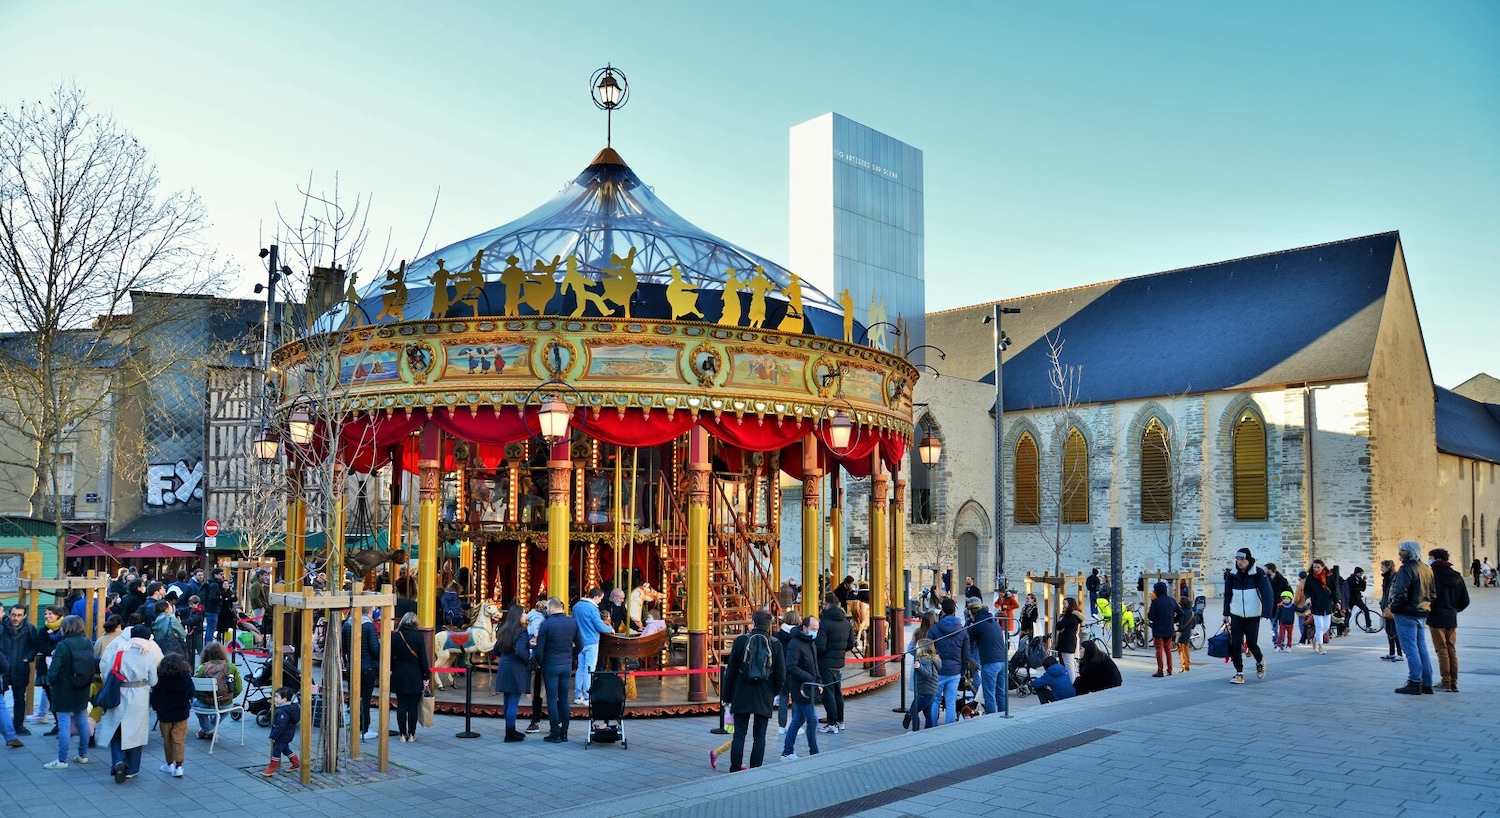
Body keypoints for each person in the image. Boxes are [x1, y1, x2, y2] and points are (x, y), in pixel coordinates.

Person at [96, 624, 162, 783]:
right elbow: (153, 681)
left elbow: (108, 671)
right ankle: (132, 768)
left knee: (116, 730)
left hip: (119, 693)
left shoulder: (119, 650)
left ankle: (118, 759)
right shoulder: (149, 655)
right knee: (136, 732)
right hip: (139, 695)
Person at [720, 609, 784, 771]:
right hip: (764, 694)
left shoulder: (741, 641)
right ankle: (756, 768)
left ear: (753, 623)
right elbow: (781, 674)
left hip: (741, 692)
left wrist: (727, 696)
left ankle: (735, 767)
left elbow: (731, 670)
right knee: (760, 735)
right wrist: (773, 692)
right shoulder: (775, 644)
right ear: (769, 626)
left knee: (739, 734)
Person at [42, 616, 92, 769]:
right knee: (82, 721)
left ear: (65, 628)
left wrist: (52, 683)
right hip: (82, 687)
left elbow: (54, 670)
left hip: (64, 689)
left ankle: (62, 760)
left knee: (64, 724)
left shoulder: (63, 645)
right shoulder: (88, 642)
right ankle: (83, 755)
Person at [1389, 541, 1436, 695]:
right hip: (1422, 612)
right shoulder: (1426, 568)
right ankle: (1427, 683)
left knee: (1410, 648)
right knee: (1421, 647)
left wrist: (1393, 608)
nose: (1399, 554)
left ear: (1409, 552)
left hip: (1407, 612)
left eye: (1401, 551)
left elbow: (1400, 593)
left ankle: (1415, 681)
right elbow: (1433, 593)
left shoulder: (1406, 569)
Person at [1221, 547, 1273, 684]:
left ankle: (1259, 660)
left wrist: (1267, 612)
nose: (1239, 562)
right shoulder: (1232, 575)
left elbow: (1267, 593)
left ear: (1248, 560)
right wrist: (1225, 613)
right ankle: (1239, 673)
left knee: (1251, 643)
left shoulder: (1258, 573)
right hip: (1236, 613)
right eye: (1237, 559)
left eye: (1242, 559)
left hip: (1253, 614)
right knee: (1235, 644)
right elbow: (1227, 595)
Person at [533, 597, 580, 743]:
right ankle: (564, 731)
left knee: (552, 699)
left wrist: (542, 663)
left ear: (552, 608)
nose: (546, 610)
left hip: (550, 664)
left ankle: (554, 732)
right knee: (564, 699)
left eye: (547, 608)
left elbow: (539, 649)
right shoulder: (572, 622)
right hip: (566, 664)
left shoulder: (546, 624)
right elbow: (580, 645)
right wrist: (571, 658)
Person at [1427, 547, 1469, 693]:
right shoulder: (1457, 576)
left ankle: (1446, 681)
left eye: (1430, 557)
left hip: (1436, 617)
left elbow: (1428, 597)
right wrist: (1453, 609)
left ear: (1436, 559)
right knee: (1451, 649)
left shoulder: (1432, 575)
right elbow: (1465, 600)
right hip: (1451, 617)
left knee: (1441, 650)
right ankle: (1453, 682)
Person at [780, 615, 820, 761]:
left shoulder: (811, 642)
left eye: (816, 629)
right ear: (804, 628)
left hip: (810, 686)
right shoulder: (795, 643)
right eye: (812, 629)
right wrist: (809, 677)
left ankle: (787, 751)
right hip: (801, 688)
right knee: (812, 719)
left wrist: (818, 680)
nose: (815, 632)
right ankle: (813, 751)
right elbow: (791, 666)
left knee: (798, 720)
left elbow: (815, 664)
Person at [811, 594, 851, 734]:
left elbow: (821, 646)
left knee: (828, 693)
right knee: (837, 692)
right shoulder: (846, 622)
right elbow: (851, 643)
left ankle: (832, 722)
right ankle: (840, 721)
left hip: (826, 663)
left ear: (827, 605)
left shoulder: (825, 623)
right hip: (839, 662)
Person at [148, 651, 192, 777]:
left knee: (167, 739)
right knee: (179, 738)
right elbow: (191, 692)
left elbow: (155, 696)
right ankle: (179, 766)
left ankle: (169, 763)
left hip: (165, 713)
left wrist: (156, 707)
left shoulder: (161, 677)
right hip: (181, 712)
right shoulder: (185, 676)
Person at [927, 598, 970, 725]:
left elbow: (928, 649)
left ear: (943, 611)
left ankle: (932, 725)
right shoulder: (962, 629)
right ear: (954, 611)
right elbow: (966, 653)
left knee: (935, 700)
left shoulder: (934, 629)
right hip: (955, 671)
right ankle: (949, 727)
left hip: (938, 670)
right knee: (951, 701)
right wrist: (962, 670)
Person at [493, 604, 531, 742]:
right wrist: (528, 658)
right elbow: (521, 651)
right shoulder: (521, 631)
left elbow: (496, 649)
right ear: (518, 615)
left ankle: (510, 729)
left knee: (507, 700)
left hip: (505, 665)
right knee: (514, 700)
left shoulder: (504, 629)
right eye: (524, 613)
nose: (525, 615)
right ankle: (510, 733)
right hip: (516, 667)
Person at [389, 612, 429, 742]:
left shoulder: (395, 636)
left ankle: (402, 734)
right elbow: (423, 658)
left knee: (401, 705)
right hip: (415, 674)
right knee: (413, 706)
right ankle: (411, 734)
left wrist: (391, 669)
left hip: (399, 673)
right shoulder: (418, 637)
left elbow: (390, 657)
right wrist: (426, 676)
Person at [571, 587, 614, 706]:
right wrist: (610, 629)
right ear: (596, 596)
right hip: (591, 642)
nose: (600, 601)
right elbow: (599, 626)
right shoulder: (593, 609)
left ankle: (577, 695)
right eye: (600, 598)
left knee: (580, 668)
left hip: (579, 642)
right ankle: (587, 696)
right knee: (589, 669)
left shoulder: (576, 606)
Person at [2, 604, 39, 737]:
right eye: (13, 614)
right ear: (8, 614)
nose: (15, 618)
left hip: (20, 668)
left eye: (19, 615)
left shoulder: (29, 629)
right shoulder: (2, 628)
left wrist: (27, 658)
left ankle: (18, 725)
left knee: (19, 698)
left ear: (24, 616)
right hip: (3, 668)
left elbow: (35, 646)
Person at [192, 642, 242, 740]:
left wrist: (204, 698)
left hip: (205, 703)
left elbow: (195, 690)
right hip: (224, 703)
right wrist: (228, 697)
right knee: (227, 707)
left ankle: (208, 730)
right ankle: (211, 730)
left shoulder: (202, 668)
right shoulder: (231, 667)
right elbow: (238, 689)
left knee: (195, 705)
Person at [966, 598, 1005, 715]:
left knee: (989, 694)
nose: (970, 618)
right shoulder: (993, 622)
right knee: (1001, 692)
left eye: (970, 615)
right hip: (1002, 661)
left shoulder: (978, 624)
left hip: (990, 662)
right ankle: (1003, 714)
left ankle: (991, 719)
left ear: (974, 613)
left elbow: (968, 639)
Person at [1296, 560, 1338, 654]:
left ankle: (1315, 638)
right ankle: (1320, 646)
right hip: (1316, 604)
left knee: (1326, 626)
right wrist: (1308, 598)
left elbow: (1334, 590)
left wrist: (1337, 601)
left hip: (1327, 604)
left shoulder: (1329, 576)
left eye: (1318, 567)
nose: (1316, 569)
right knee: (1319, 627)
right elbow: (1306, 590)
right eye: (1314, 567)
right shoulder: (1310, 578)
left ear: (1323, 567)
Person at [262, 686, 300, 776]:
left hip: (283, 735)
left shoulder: (283, 711)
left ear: (284, 699)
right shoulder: (290, 708)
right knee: (285, 749)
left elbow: (280, 726)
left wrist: (274, 736)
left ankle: (271, 769)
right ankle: (296, 763)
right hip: (287, 734)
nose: (274, 699)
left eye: (276, 697)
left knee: (277, 750)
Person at [1148, 582, 1180, 677]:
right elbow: (1180, 612)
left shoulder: (1156, 601)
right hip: (1169, 628)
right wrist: (1174, 621)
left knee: (1159, 649)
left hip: (1158, 629)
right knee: (1168, 649)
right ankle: (1170, 669)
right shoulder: (1171, 600)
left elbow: (1150, 616)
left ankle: (1160, 670)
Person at [908, 638, 939, 730]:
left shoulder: (924, 661)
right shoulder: (932, 659)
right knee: (927, 713)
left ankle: (915, 731)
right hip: (929, 692)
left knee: (914, 711)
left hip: (925, 693)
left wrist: (919, 667)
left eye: (917, 647)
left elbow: (928, 674)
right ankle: (928, 730)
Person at [1377, 559, 1404, 662]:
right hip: (1385, 607)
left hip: (1392, 608)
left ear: (1388, 567)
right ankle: (1391, 652)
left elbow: (1395, 593)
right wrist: (1382, 603)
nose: (1381, 568)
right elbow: (1385, 593)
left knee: (1395, 631)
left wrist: (1392, 605)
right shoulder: (1386, 579)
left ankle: (1400, 653)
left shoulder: (1396, 578)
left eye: (1383, 567)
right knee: (1388, 630)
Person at [1053, 597, 1085, 679]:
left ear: (1070, 605)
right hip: (1066, 643)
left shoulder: (1071, 616)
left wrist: (1059, 623)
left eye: (1065, 604)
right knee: (1067, 664)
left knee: (1069, 665)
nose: (1063, 606)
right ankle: (1069, 682)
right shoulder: (1069, 615)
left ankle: (1072, 684)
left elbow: (1059, 625)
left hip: (1067, 643)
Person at [200, 569, 222, 647]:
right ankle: (208, 646)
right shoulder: (215, 585)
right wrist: (220, 597)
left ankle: (207, 645)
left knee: (209, 629)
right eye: (220, 574)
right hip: (213, 609)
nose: (222, 576)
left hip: (208, 609)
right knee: (211, 629)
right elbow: (211, 598)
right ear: (215, 575)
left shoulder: (209, 582)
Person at [1175, 596, 1197, 671]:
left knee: (1181, 649)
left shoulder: (1181, 612)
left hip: (1181, 632)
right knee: (1186, 648)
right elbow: (1194, 624)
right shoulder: (1192, 613)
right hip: (1188, 632)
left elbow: (1177, 621)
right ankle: (1187, 664)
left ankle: (1184, 665)